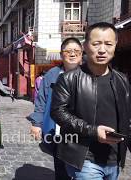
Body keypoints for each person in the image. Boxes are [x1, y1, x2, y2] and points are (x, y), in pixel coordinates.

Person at [50, 22, 131, 180]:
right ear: (85, 46)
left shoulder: (122, 80)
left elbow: (127, 117)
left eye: (108, 44)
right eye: (96, 44)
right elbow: (58, 112)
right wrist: (93, 131)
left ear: (115, 46)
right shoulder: (68, 79)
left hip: (113, 159)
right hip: (84, 158)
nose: (102, 50)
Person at [28, 37, 83, 180]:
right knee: (61, 170)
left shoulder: (88, 74)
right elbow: (41, 100)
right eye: (68, 51)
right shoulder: (52, 74)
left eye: (76, 51)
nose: (72, 54)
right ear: (61, 54)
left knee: (82, 171)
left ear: (82, 54)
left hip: (82, 131)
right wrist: (36, 123)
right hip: (57, 130)